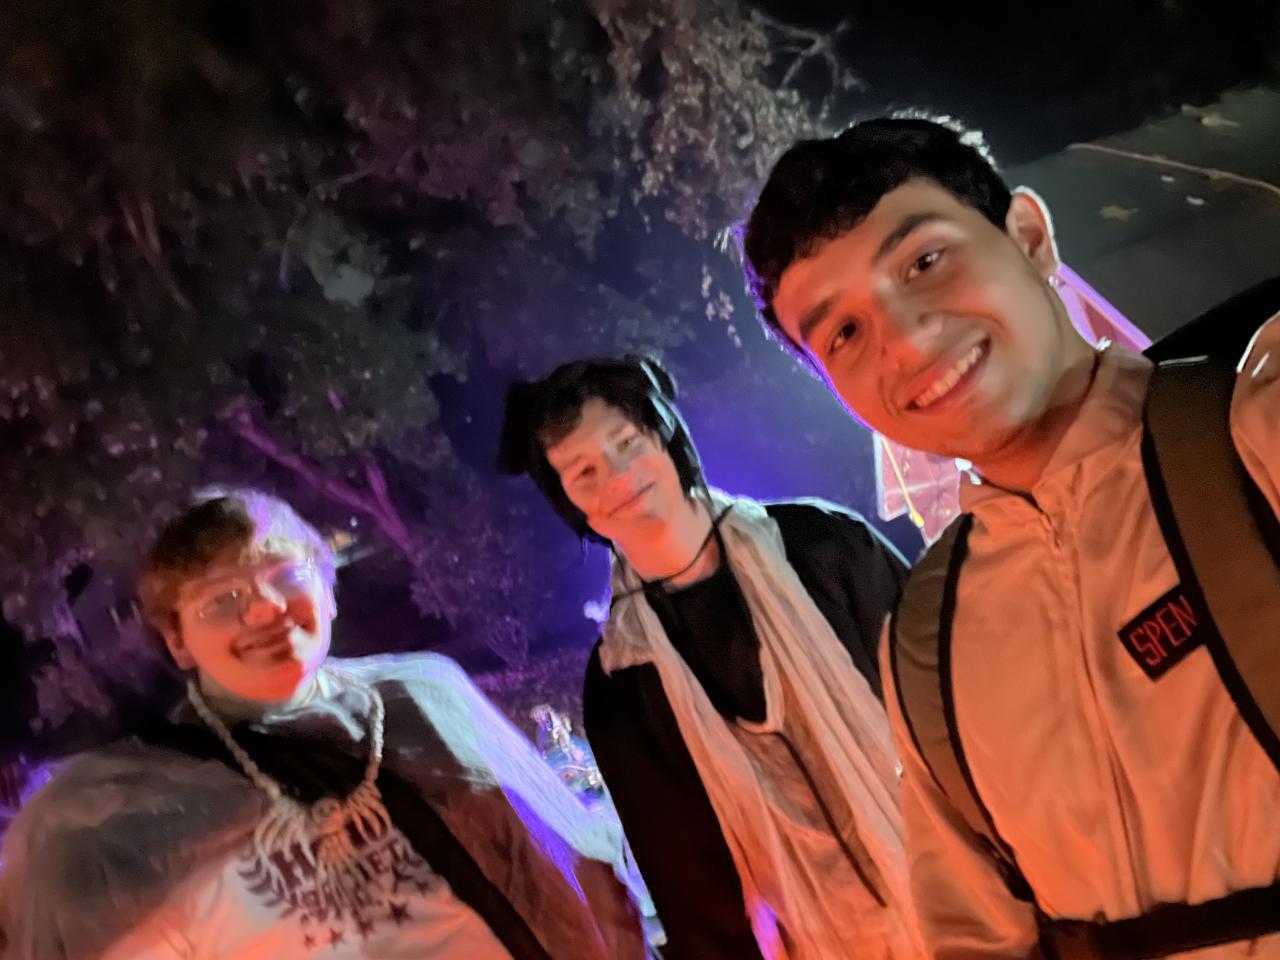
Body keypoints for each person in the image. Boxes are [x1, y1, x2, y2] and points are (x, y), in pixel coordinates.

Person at [742, 114, 1280, 957]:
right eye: (844, 333)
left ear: (1029, 238)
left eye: (925, 262)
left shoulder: (1251, 438)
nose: (907, 341)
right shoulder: (929, 645)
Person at [0, 489, 647, 960]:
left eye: (286, 575)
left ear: (329, 592)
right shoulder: (129, 806)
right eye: (223, 598)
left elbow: (568, 858)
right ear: (178, 642)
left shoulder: (424, 695)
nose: (266, 610)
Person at [497, 356, 921, 960]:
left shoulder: (822, 545)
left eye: (626, 442)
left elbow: (954, 710)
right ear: (570, 504)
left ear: (663, 434)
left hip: (974, 912)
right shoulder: (623, 683)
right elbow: (690, 890)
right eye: (584, 471)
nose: (617, 475)